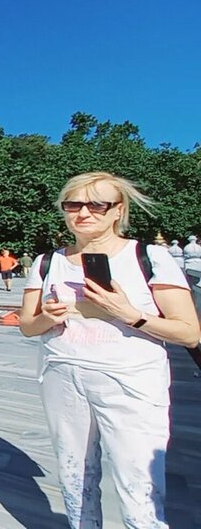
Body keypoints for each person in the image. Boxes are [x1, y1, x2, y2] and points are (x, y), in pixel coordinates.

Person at [19, 172, 200, 528]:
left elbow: (190, 333)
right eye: (73, 204)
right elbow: (27, 325)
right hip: (63, 376)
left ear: (118, 210)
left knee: (139, 488)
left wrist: (131, 315)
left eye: (97, 204)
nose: (83, 213)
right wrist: (47, 316)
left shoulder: (149, 257)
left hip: (131, 382)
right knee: (75, 480)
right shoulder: (47, 262)